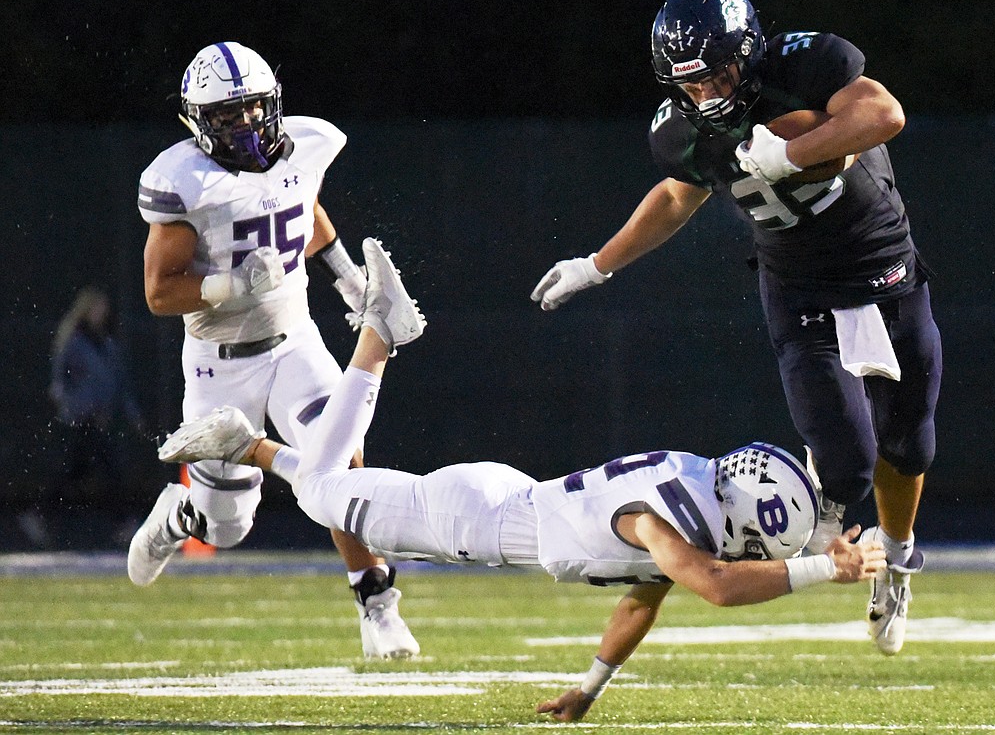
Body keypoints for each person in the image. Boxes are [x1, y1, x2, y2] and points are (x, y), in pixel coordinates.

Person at [156, 237, 887, 723]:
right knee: (322, 495)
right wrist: (825, 568)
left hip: (500, 500)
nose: (765, 556)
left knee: (329, 482)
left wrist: (588, 689)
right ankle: (367, 343)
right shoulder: (669, 524)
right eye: (768, 546)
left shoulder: (695, 502)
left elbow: (645, 601)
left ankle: (276, 421)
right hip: (474, 522)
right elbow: (718, 585)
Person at [530, 0, 939, 656]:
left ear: (747, 54)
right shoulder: (682, 131)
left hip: (887, 272)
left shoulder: (804, 65)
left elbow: (884, 114)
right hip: (800, 289)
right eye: (690, 86)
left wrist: (792, 152)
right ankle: (828, 520)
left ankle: (895, 563)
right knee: (848, 463)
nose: (708, 98)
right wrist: (596, 264)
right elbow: (674, 196)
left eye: (718, 76)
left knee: (910, 445)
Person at [130, 42, 423, 659]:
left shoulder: (307, 144)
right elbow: (159, 293)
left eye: (253, 109)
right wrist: (231, 285)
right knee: (227, 528)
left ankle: (376, 601)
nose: (244, 126)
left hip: (296, 345)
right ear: (198, 121)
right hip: (219, 364)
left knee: (340, 459)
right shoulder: (187, 182)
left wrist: (346, 275)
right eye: (227, 116)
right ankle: (181, 516)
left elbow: (302, 206)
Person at [32, 287, 145, 546]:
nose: (100, 314)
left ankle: (40, 515)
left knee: (78, 471)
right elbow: (59, 383)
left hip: (97, 419)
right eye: (96, 308)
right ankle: (123, 522)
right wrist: (72, 407)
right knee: (100, 470)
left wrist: (132, 414)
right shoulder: (73, 342)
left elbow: (118, 384)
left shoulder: (106, 344)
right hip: (79, 420)